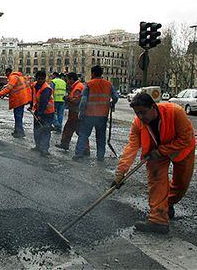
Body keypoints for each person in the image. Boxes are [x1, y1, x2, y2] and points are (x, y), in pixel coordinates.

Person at [113, 92, 195, 234]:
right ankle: (158, 220)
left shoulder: (175, 112)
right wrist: (121, 172)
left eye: (143, 112)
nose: (140, 117)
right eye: (137, 113)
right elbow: (131, 147)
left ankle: (167, 204)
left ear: (153, 107)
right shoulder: (138, 123)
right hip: (155, 155)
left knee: (181, 184)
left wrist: (163, 150)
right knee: (157, 182)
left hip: (181, 150)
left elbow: (186, 139)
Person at [73, 65, 119, 161]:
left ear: (93, 73)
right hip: (103, 115)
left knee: (84, 135)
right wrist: (112, 103)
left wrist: (81, 112)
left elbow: (84, 100)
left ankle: (79, 155)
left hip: (89, 114)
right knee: (101, 137)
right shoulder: (109, 84)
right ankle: (100, 156)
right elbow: (115, 97)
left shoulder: (89, 84)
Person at [0, 68, 31, 138]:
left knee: (18, 116)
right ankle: (17, 131)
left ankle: (20, 132)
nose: (6, 75)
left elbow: (8, 89)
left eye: (6, 73)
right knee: (18, 116)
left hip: (18, 99)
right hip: (22, 98)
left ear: (8, 72)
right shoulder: (19, 77)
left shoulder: (13, 77)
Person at [56, 72, 89, 154]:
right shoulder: (79, 86)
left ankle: (84, 148)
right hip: (76, 111)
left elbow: (77, 100)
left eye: (67, 80)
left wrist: (67, 99)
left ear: (71, 79)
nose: (67, 82)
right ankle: (83, 148)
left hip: (76, 112)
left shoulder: (78, 87)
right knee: (74, 129)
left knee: (73, 129)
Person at [30, 70, 55, 156]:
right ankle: (38, 146)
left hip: (48, 112)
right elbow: (33, 97)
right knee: (37, 129)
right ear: (36, 78)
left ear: (44, 79)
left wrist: (40, 114)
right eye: (39, 79)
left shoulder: (46, 88)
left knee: (45, 130)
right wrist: (31, 106)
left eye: (42, 79)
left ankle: (44, 149)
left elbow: (44, 102)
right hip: (38, 110)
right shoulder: (34, 86)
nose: (40, 80)